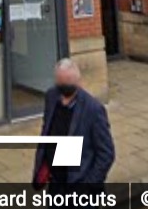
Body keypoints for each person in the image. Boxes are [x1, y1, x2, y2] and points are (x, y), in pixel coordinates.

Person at [32, 59, 114, 189]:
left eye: (69, 81)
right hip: (56, 183)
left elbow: (106, 153)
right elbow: (46, 131)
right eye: (61, 81)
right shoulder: (51, 97)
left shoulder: (93, 109)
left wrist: (89, 184)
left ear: (78, 82)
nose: (65, 86)